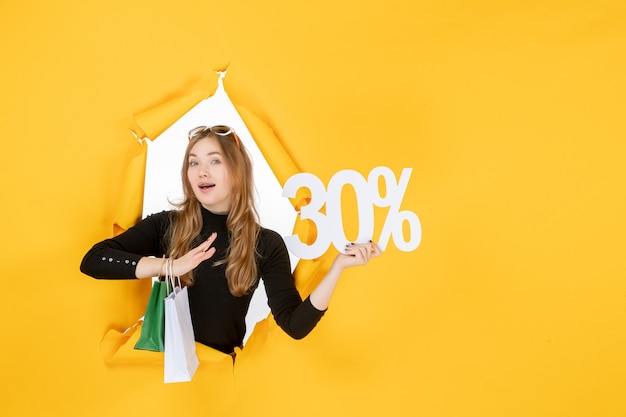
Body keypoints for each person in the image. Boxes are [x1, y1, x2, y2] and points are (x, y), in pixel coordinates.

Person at [80, 125, 381, 355]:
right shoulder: (166, 225)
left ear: (238, 172)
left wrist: (338, 267)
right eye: (193, 163)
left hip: (218, 387)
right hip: (157, 381)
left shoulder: (266, 243)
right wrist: (169, 265)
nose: (202, 172)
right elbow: (94, 260)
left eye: (215, 161)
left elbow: (294, 325)